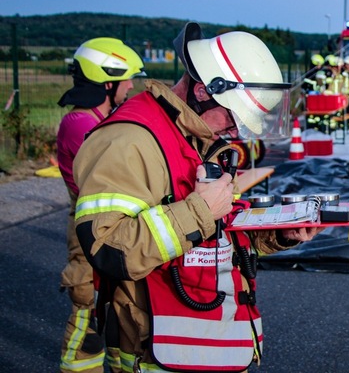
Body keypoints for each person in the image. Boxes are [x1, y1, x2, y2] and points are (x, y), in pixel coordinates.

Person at [72, 22, 319, 373]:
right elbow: (108, 249)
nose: (237, 130)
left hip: (209, 343)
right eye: (234, 116)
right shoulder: (127, 141)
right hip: (158, 351)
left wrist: (279, 233)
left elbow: (219, 230)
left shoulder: (199, 137)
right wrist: (199, 210)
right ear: (203, 91)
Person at [56, 37, 145, 373]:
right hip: (88, 235)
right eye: (127, 79)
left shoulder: (104, 116)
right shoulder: (81, 123)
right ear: (108, 82)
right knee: (88, 323)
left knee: (120, 319)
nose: (131, 86)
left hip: (114, 230)